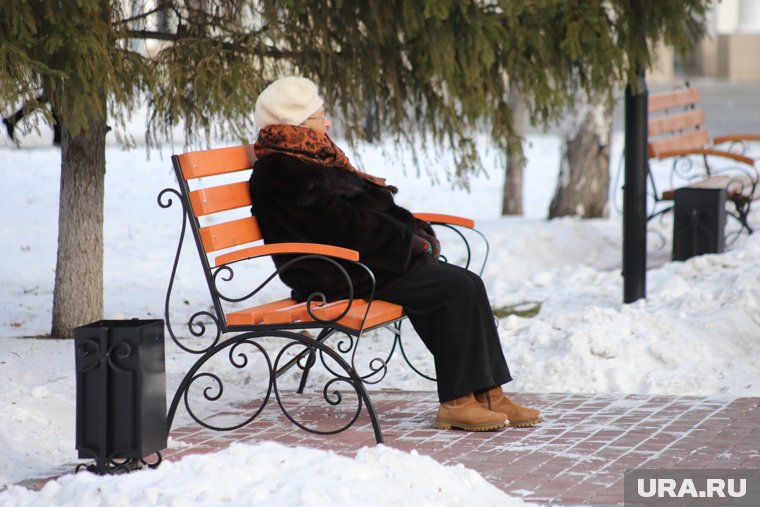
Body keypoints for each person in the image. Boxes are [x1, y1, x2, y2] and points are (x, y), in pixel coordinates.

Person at [248, 76, 542, 431]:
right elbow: (338, 226)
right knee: (453, 289)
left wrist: (411, 231)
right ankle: (457, 402)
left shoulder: (309, 157)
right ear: (294, 123)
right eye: (317, 117)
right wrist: (405, 240)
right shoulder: (282, 169)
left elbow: (362, 213)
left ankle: (488, 395)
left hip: (358, 260)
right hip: (331, 272)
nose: (326, 123)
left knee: (466, 283)